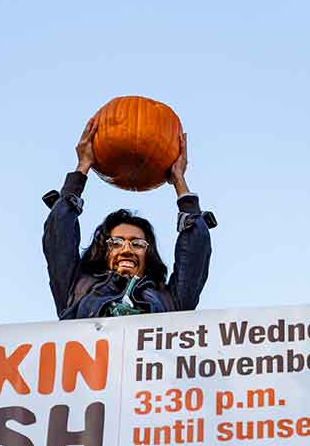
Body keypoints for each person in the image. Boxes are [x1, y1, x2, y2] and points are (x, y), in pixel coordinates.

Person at [42, 117, 217, 320]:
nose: (126, 250)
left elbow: (195, 252)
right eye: (116, 243)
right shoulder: (77, 288)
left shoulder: (171, 301)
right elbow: (58, 235)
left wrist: (179, 180)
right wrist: (83, 166)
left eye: (137, 243)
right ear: (103, 252)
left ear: (148, 252)